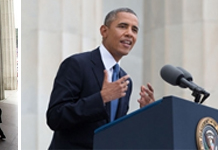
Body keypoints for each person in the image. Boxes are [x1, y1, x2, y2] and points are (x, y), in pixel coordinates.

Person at [46, 8, 155, 150]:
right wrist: (101, 98)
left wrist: (144, 114)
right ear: (104, 31)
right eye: (122, 26)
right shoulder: (77, 64)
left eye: (134, 30)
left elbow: (116, 132)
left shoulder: (125, 80)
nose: (129, 33)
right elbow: (55, 117)